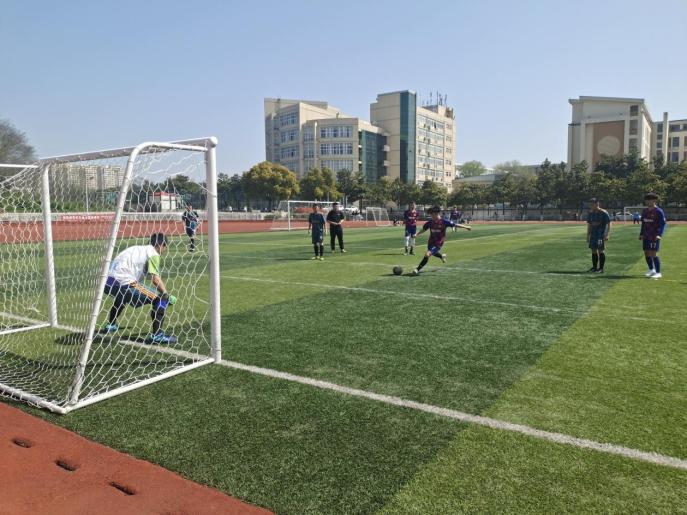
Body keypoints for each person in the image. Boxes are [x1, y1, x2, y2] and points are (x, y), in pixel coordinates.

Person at [102, 233, 177, 344]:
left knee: (121, 296)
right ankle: (157, 335)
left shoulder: (136, 248)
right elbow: (155, 280)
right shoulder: (153, 253)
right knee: (160, 299)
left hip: (107, 282)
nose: (164, 250)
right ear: (161, 245)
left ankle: (111, 325)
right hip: (125, 283)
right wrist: (166, 295)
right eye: (165, 247)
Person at [412, 206, 471, 275]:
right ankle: (442, 256)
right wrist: (417, 234)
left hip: (438, 243)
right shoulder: (430, 222)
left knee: (427, 254)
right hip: (431, 241)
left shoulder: (444, 222)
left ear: (437, 213)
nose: (431, 216)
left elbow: (455, 225)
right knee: (433, 253)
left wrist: (466, 227)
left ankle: (417, 269)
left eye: (432, 214)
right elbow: (424, 229)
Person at [640, 192, 667, 279]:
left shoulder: (659, 211)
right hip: (646, 235)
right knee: (646, 252)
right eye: (646, 200)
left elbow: (663, 224)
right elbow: (643, 223)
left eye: (649, 200)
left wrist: (659, 235)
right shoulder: (645, 211)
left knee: (653, 253)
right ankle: (651, 269)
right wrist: (641, 234)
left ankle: (658, 272)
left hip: (654, 236)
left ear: (654, 200)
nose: (647, 202)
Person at [586, 198, 611, 273]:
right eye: (590, 204)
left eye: (592, 204)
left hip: (600, 235)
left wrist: (607, 234)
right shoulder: (591, 213)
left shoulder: (603, 212)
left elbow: (609, 223)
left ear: (597, 204)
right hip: (593, 235)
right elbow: (589, 225)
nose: (591, 205)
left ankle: (601, 268)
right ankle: (594, 268)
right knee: (593, 250)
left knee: (600, 250)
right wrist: (588, 235)